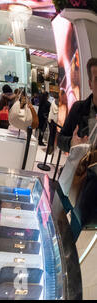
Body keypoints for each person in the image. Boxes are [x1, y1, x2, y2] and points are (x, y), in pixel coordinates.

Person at [57, 58, 97, 242]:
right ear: (90, 83)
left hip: (91, 189)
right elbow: (60, 139)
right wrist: (71, 144)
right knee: (55, 221)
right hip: (72, 176)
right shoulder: (80, 109)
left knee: (75, 233)